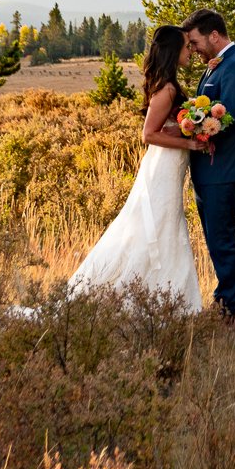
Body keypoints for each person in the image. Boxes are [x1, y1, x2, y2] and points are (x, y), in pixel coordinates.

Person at [65, 25, 209, 313]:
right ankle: (157, 299)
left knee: (164, 225)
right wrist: (190, 144)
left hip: (169, 164)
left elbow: (170, 126)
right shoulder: (167, 89)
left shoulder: (170, 84)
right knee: (159, 226)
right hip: (162, 167)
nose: (190, 51)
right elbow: (149, 134)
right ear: (172, 52)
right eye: (185, 47)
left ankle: (164, 295)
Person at [182, 8, 235, 329]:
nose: (194, 49)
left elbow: (231, 118)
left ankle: (231, 311)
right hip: (211, 170)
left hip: (223, 169)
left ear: (214, 35)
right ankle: (223, 303)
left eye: (196, 42)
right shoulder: (218, 66)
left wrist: (190, 129)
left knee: (223, 239)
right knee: (216, 238)